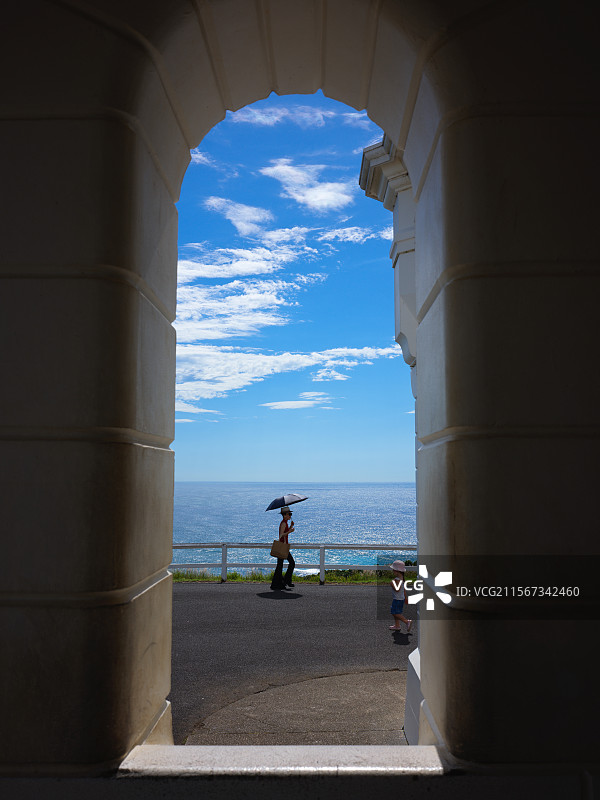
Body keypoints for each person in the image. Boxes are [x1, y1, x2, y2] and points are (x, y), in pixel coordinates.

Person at [270, 506, 296, 590]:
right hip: (283, 546)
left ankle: (279, 583)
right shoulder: (283, 523)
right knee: (291, 563)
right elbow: (281, 535)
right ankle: (285, 581)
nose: (290, 515)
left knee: (280, 565)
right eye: (289, 514)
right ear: (284, 515)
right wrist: (290, 531)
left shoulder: (285, 523)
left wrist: (290, 527)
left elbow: (285, 532)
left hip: (284, 546)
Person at [389, 560, 413, 632]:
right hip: (401, 598)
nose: (393, 571)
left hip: (397, 599)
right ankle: (397, 625)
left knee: (394, 613)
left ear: (397, 571)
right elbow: (403, 590)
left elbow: (397, 589)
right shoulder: (402, 578)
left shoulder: (397, 579)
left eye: (393, 570)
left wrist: (392, 583)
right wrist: (406, 597)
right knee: (397, 613)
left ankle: (407, 622)